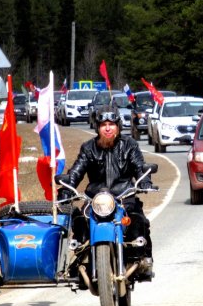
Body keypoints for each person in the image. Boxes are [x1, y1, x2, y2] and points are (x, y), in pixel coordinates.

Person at [57, 104, 156, 279]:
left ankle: (143, 258)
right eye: (103, 124)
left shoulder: (129, 145)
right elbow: (76, 171)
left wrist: (145, 180)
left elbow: (139, 166)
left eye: (111, 123)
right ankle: (80, 260)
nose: (108, 128)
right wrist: (67, 187)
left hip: (123, 196)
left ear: (118, 126)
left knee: (138, 219)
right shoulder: (88, 148)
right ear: (98, 127)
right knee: (80, 220)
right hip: (96, 199)